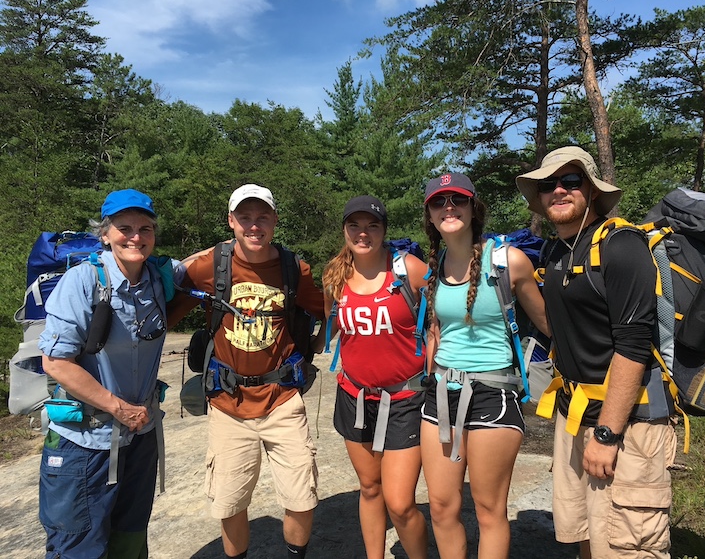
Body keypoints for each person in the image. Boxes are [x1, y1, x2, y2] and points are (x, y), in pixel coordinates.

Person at [516, 146, 677, 558]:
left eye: (570, 182)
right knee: (586, 536)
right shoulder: (556, 254)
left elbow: (633, 346)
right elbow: (557, 328)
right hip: (575, 416)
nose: (559, 191)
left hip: (626, 423)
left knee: (625, 547)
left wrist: (607, 434)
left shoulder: (621, 246)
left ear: (591, 189)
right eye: (549, 184)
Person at [168, 183, 324, 559]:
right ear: (231, 221)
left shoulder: (293, 268)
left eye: (262, 217)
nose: (254, 226)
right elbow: (163, 314)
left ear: (274, 220)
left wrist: (316, 346)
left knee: (302, 496)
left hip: (283, 400)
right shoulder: (210, 266)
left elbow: (325, 308)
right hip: (228, 403)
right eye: (245, 218)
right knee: (230, 502)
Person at [420, 173, 549, 558]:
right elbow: (437, 332)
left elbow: (548, 325)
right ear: (428, 214)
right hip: (442, 394)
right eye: (439, 202)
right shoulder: (436, 264)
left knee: (489, 510)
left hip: (494, 395)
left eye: (457, 199)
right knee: (442, 508)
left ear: (474, 207)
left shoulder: (508, 261)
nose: (448, 208)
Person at [39, 189, 170, 558]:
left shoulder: (158, 279)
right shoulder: (82, 282)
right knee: (80, 546)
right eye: (124, 227)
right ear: (105, 233)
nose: (135, 237)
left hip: (139, 437)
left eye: (145, 228)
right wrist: (118, 407)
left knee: (130, 540)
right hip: (85, 441)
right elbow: (56, 362)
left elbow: (202, 264)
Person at [322, 196, 429, 559]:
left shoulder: (409, 270)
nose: (363, 233)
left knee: (399, 503)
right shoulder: (334, 276)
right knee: (369, 488)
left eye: (372, 226)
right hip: (355, 396)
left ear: (384, 231)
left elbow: (443, 318)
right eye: (355, 225)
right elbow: (332, 328)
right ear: (344, 229)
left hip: (405, 400)